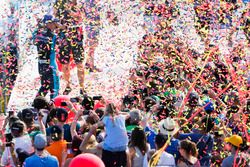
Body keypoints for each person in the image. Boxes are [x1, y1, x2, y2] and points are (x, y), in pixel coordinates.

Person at [54, 0, 86, 95]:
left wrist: (72, 13)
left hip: (77, 36)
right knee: (65, 63)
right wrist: (60, 26)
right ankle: (68, 86)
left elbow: (82, 17)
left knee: (79, 63)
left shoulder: (79, 4)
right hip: (64, 36)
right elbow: (54, 17)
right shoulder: (59, 3)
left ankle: (82, 87)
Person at [32, 14, 60, 99]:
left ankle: (37, 104)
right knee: (54, 87)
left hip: (41, 65)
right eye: (52, 23)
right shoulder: (52, 36)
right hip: (50, 65)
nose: (55, 25)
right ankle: (54, 107)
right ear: (47, 24)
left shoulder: (37, 34)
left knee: (44, 86)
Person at [83, 0, 102, 72]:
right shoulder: (90, 3)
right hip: (92, 27)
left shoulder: (88, 2)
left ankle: (88, 64)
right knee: (92, 47)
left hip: (91, 26)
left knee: (91, 47)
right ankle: (91, 66)